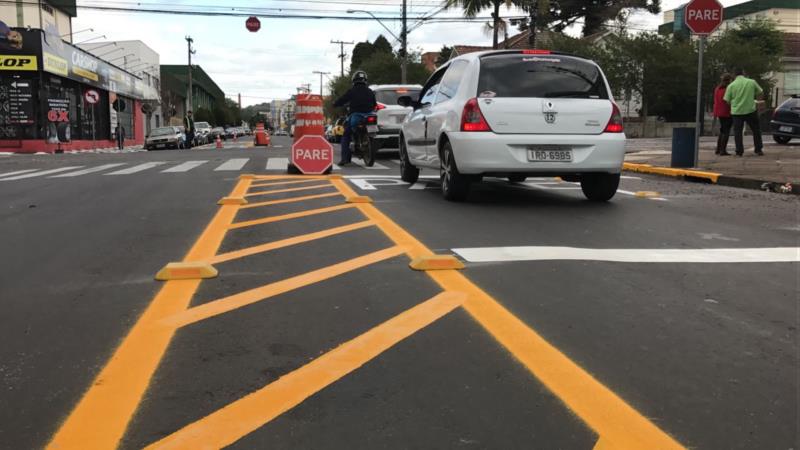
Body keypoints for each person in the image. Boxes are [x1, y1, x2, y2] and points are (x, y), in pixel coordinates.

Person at [333, 70, 376, 165]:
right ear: (365, 80)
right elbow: (374, 104)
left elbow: (342, 100)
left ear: (354, 80)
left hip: (357, 116)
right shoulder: (370, 91)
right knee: (374, 131)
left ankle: (345, 159)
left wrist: (335, 104)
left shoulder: (352, 91)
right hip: (370, 116)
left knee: (346, 135)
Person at [723, 68, 764, 156]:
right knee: (756, 130)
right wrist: (757, 101)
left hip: (737, 112)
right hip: (750, 110)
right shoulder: (752, 82)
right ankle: (758, 149)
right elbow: (760, 92)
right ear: (743, 73)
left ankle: (739, 151)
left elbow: (727, 100)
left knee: (738, 132)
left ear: (734, 75)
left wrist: (733, 104)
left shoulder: (731, 85)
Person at [713, 73, 733, 156]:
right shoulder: (728, 89)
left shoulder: (717, 88)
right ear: (729, 80)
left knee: (722, 130)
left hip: (719, 111)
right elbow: (728, 101)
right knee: (726, 131)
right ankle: (723, 150)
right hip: (726, 112)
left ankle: (718, 149)